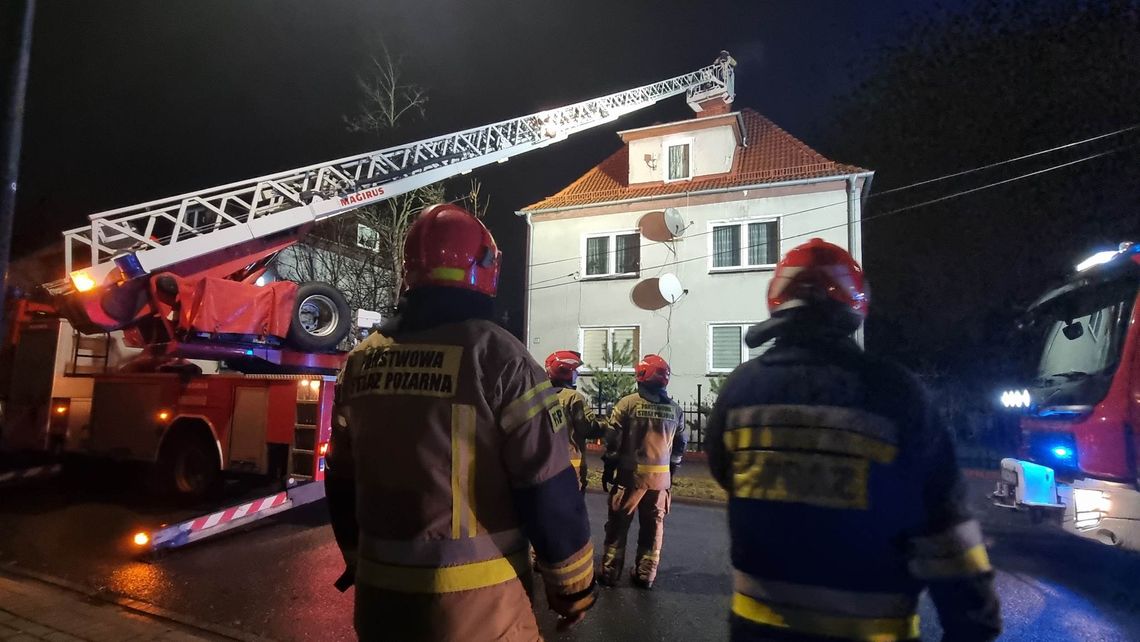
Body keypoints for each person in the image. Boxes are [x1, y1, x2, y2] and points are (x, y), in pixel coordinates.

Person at [705, 238, 1001, 641]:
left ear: (777, 298)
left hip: (756, 630)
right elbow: (946, 528)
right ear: (852, 305)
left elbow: (726, 474)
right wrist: (972, 627)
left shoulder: (740, 390)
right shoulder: (895, 393)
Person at [325, 203, 597, 641]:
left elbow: (340, 480)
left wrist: (358, 559)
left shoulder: (361, 361)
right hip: (478, 612)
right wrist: (573, 591)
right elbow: (547, 488)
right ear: (485, 268)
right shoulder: (498, 358)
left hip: (379, 609)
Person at [598, 354, 685, 590]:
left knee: (618, 525)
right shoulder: (675, 411)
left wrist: (608, 467)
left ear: (641, 377)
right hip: (660, 484)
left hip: (629, 480)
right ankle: (646, 574)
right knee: (653, 528)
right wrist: (671, 472)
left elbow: (612, 440)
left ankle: (609, 573)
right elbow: (679, 447)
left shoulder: (627, 404)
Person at [544, 350, 615, 492]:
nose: (578, 374)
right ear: (567, 372)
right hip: (569, 467)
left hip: (544, 466)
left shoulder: (539, 396)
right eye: (575, 371)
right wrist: (607, 425)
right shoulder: (573, 397)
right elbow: (588, 428)